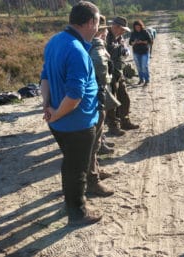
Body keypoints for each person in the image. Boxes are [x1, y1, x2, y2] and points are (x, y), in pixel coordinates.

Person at [40, 1, 108, 227]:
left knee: (69, 164)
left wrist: (47, 106)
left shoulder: (54, 41)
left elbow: (45, 77)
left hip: (60, 122)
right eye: (97, 22)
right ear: (90, 22)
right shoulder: (77, 50)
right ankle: (77, 213)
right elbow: (75, 95)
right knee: (78, 168)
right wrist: (56, 113)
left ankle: (69, 203)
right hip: (76, 124)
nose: (98, 28)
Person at [87, 15, 117, 187]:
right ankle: (92, 179)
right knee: (94, 140)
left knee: (96, 139)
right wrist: (109, 77)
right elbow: (101, 71)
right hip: (96, 96)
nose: (106, 33)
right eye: (104, 30)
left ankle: (95, 170)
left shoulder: (87, 45)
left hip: (93, 96)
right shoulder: (97, 47)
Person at [106, 16, 139, 135]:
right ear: (115, 27)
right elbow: (107, 54)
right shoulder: (105, 36)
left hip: (119, 73)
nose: (124, 32)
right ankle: (113, 126)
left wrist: (125, 50)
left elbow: (123, 50)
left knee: (124, 98)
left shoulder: (119, 37)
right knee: (112, 102)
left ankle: (125, 122)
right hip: (109, 75)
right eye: (122, 29)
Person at [129, 19, 153, 86]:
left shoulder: (145, 32)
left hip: (144, 51)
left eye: (138, 27)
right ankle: (141, 79)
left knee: (144, 66)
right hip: (136, 52)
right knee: (138, 66)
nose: (137, 28)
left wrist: (142, 42)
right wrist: (134, 42)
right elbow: (130, 42)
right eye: (136, 27)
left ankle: (147, 80)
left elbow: (150, 41)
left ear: (141, 26)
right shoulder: (133, 33)